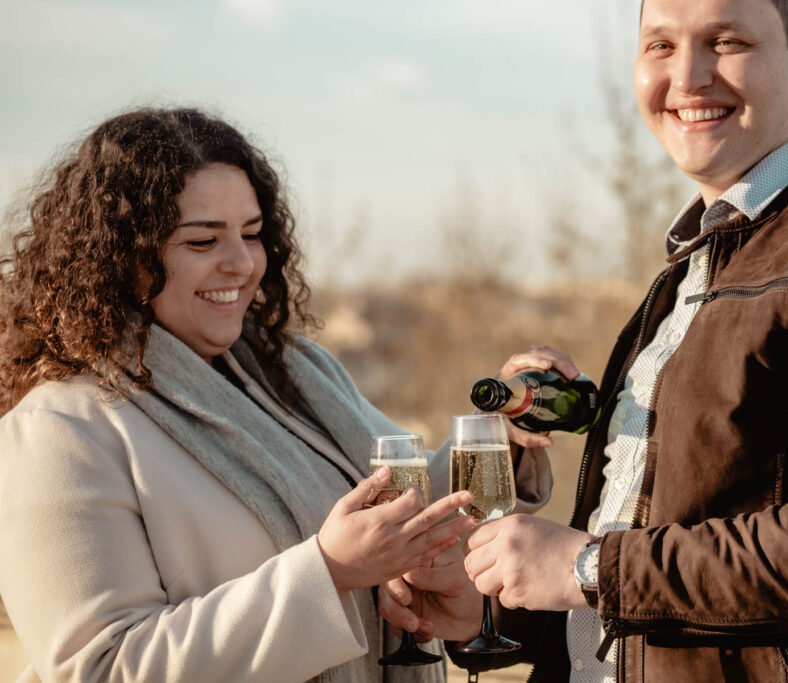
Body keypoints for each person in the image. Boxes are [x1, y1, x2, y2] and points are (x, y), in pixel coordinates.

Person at [383, 0, 788, 680]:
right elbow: (653, 603)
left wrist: (587, 564)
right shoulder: (686, 272)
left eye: (725, 41)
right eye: (660, 46)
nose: (688, 76)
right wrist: (497, 609)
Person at [0, 107, 559, 683]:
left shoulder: (293, 371)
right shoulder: (59, 430)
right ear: (121, 256)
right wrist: (329, 571)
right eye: (201, 240)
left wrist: (497, 433)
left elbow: (398, 504)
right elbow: (100, 669)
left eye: (250, 234)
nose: (241, 263)